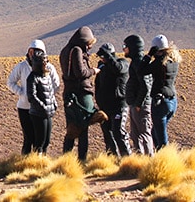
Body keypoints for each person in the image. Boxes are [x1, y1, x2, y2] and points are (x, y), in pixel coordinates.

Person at [59, 26, 108, 160]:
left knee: (72, 129)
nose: (89, 47)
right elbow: (81, 73)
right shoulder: (77, 51)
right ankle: (82, 161)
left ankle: (66, 161)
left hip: (69, 94)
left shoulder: (65, 51)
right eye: (89, 44)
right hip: (81, 94)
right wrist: (94, 70)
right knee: (83, 129)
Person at [7, 39, 61, 154]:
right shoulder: (22, 66)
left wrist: (46, 98)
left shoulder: (48, 67)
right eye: (31, 51)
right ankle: (25, 163)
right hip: (25, 107)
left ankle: (40, 163)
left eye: (36, 51)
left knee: (42, 140)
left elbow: (56, 84)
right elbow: (10, 82)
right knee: (28, 138)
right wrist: (22, 93)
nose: (33, 54)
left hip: (41, 109)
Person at [142, 34, 181, 150]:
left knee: (162, 140)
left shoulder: (159, 62)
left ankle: (166, 163)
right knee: (156, 132)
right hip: (172, 101)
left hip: (161, 102)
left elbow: (142, 70)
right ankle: (161, 157)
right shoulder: (174, 61)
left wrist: (148, 56)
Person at [94, 42, 132, 157]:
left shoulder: (122, 63)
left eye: (104, 56)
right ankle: (113, 160)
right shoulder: (102, 67)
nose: (102, 59)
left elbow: (118, 70)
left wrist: (108, 56)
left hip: (119, 105)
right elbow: (98, 85)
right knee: (108, 134)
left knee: (118, 132)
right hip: (105, 107)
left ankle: (127, 159)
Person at [123, 34, 154, 155]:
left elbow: (145, 86)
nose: (124, 49)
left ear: (132, 47)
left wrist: (138, 103)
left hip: (140, 105)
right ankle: (139, 162)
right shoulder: (137, 61)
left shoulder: (139, 63)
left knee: (144, 134)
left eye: (125, 46)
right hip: (136, 104)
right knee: (136, 135)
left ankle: (149, 161)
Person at [26, 52, 57, 154]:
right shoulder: (32, 78)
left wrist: (53, 104)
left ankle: (43, 160)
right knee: (40, 141)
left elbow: (50, 92)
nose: (46, 64)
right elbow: (32, 96)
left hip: (48, 113)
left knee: (46, 141)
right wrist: (43, 107)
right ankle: (36, 162)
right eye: (44, 62)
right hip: (38, 114)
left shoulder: (46, 76)